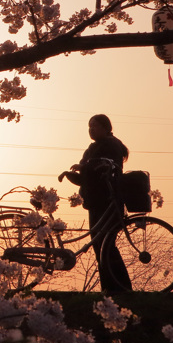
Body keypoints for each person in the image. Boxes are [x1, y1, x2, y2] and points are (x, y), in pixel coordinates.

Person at [58, 114, 133, 292]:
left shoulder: (111, 145)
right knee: (100, 246)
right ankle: (110, 288)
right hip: (95, 202)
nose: (91, 130)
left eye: (95, 126)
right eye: (89, 127)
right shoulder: (92, 148)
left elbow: (103, 167)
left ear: (106, 128)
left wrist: (84, 167)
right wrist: (70, 174)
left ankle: (121, 288)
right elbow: (87, 178)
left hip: (108, 202)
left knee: (106, 246)